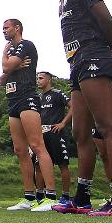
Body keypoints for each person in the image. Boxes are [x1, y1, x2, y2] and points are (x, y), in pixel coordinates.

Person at [47, 0, 112, 216]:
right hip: (77, 63)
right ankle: (82, 198)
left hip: (94, 55)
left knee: (108, 127)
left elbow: (106, 19)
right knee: (80, 133)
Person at [0, 19, 57, 212]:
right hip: (12, 102)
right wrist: (11, 66)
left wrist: (6, 58)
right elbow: (2, 78)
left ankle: (50, 197)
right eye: (2, 29)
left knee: (37, 145)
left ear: (17, 28)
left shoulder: (26, 45)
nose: (4, 31)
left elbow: (6, 68)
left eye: (6, 28)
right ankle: (29, 197)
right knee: (20, 150)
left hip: (27, 98)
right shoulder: (13, 52)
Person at [35, 72, 73, 205]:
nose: (38, 81)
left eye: (41, 78)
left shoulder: (58, 94)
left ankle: (65, 196)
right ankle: (39, 196)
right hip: (41, 134)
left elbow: (73, 107)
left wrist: (63, 123)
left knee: (62, 164)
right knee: (39, 166)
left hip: (56, 133)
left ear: (49, 80)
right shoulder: (38, 97)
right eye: (37, 78)